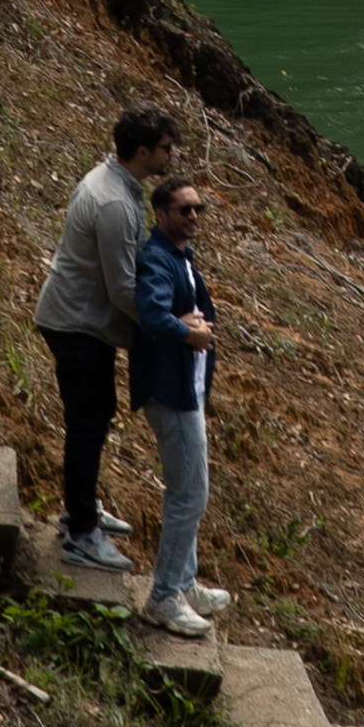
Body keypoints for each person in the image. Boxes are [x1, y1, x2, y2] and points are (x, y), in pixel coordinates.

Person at [35, 104, 176, 569]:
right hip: (76, 323)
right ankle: (80, 533)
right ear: (143, 151)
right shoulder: (114, 201)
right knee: (88, 420)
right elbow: (121, 288)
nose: (171, 155)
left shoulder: (117, 184)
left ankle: (82, 508)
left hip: (80, 319)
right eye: (165, 148)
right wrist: (165, 328)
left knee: (92, 417)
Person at [130, 177, 230, 640]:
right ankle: (164, 596)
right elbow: (151, 316)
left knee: (186, 492)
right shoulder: (156, 259)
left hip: (187, 392)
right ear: (161, 214)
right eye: (183, 210)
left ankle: (184, 583)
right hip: (170, 395)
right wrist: (187, 331)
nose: (193, 217)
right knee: (190, 495)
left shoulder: (179, 258)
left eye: (198, 209)